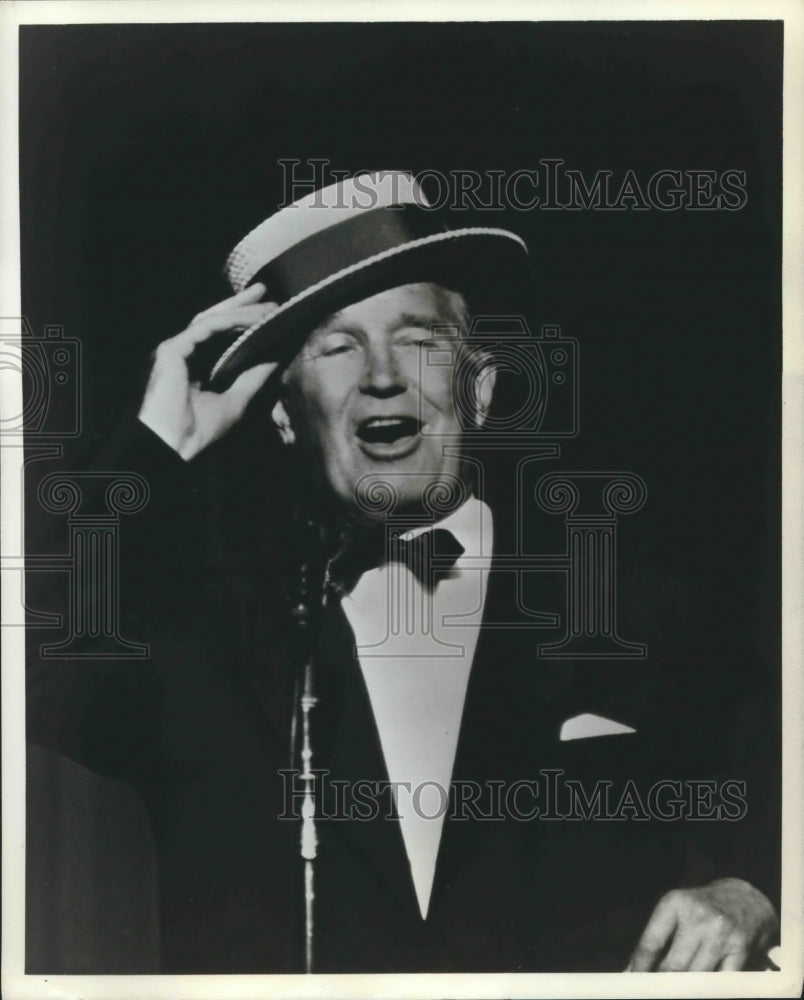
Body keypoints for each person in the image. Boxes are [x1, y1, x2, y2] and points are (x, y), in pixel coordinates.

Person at [27, 172, 779, 974]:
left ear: (481, 389)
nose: (382, 374)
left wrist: (757, 891)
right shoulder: (208, 651)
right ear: (282, 414)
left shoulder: (637, 612)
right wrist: (153, 445)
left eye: (419, 340)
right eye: (338, 346)